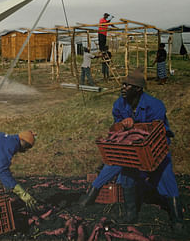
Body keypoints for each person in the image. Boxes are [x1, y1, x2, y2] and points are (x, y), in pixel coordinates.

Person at [78, 69, 183, 230]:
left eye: (128, 85)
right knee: (123, 168)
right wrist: (121, 125)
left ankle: (177, 218)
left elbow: (155, 130)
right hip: (131, 149)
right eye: (123, 84)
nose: (123, 87)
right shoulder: (119, 104)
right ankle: (130, 213)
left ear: (138, 89)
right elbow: (115, 129)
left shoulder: (155, 105)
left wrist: (134, 125)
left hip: (154, 148)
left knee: (165, 174)